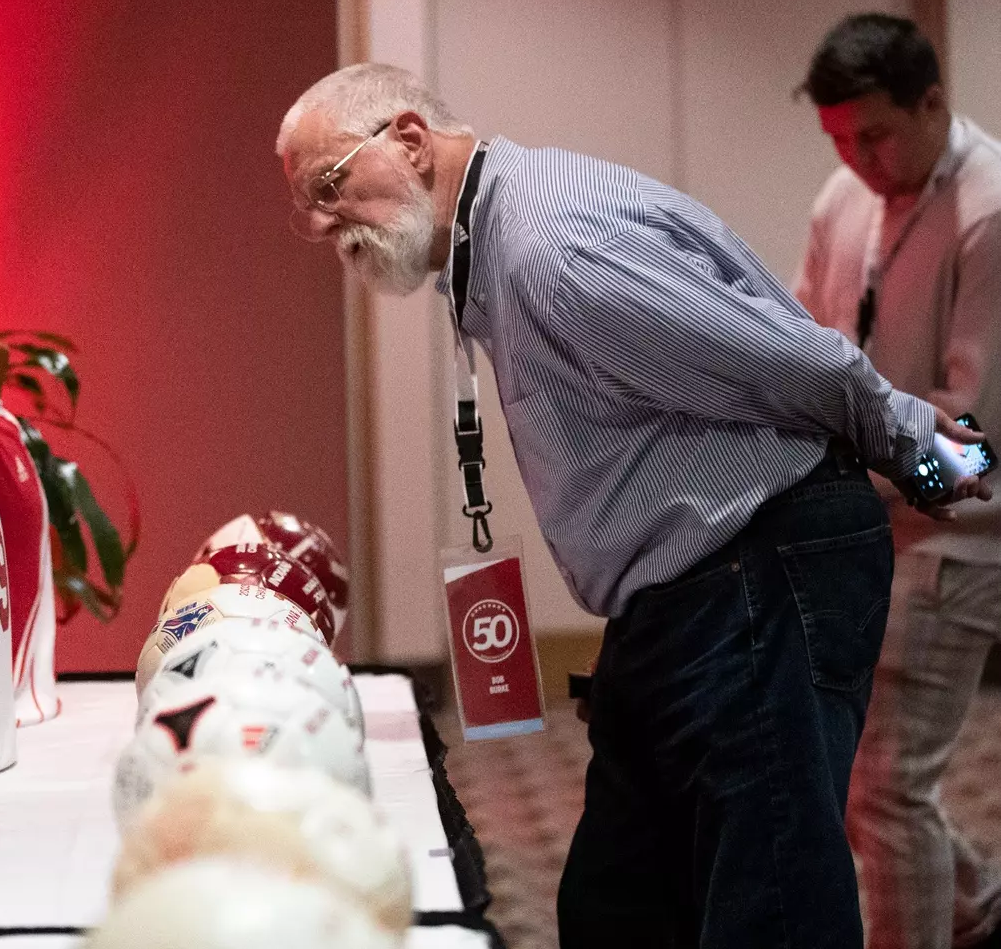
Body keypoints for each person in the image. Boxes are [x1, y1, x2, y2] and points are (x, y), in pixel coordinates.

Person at [276, 63, 991, 949]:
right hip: (687, 596)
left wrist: (926, 457)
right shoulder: (495, 243)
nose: (316, 223)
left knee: (769, 902)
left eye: (328, 186)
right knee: (620, 906)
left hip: (750, 576)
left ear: (411, 142)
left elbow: (794, 363)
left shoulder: (549, 246)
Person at [795, 13, 1001, 949]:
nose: (859, 160)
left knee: (886, 786)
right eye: (839, 139)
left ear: (932, 103)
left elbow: (975, 443)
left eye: (874, 134)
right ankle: (978, 905)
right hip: (868, 521)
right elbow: (807, 345)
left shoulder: (990, 211)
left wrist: (853, 476)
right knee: (854, 783)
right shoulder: (842, 196)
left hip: (962, 537)